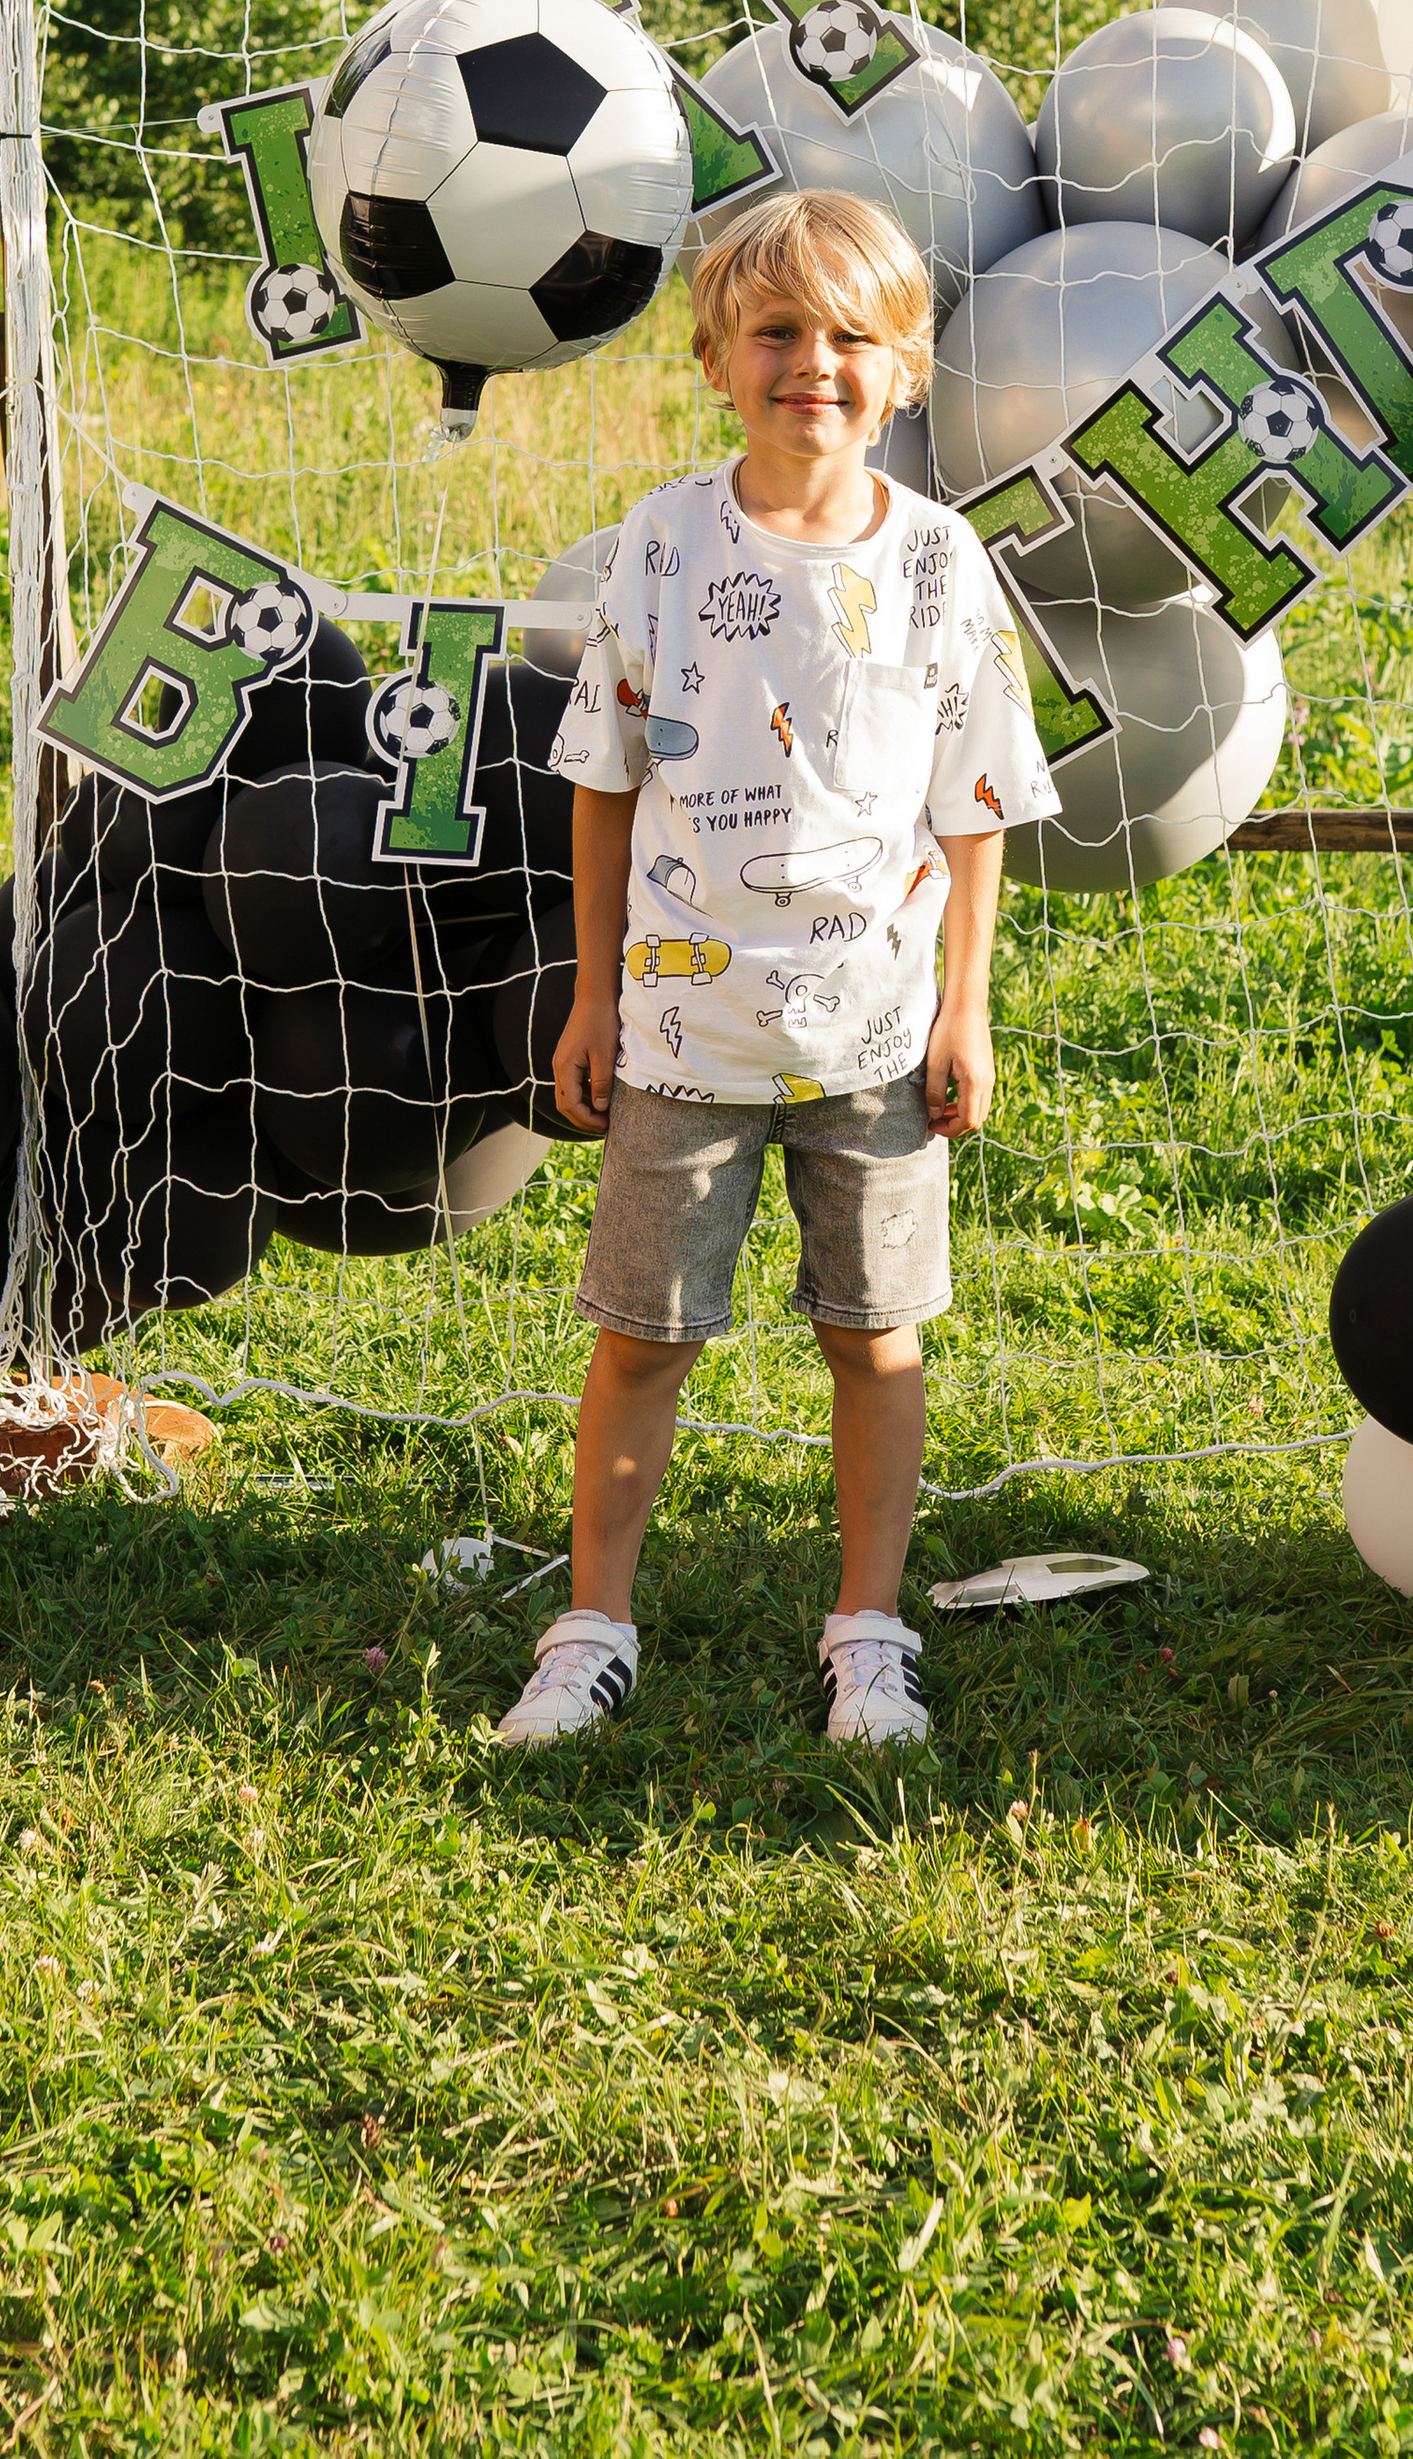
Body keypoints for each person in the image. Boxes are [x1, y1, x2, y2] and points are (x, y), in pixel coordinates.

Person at [495, 188, 1059, 1751]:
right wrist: (595, 993)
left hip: (876, 1043)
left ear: (906, 370)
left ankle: (868, 1632)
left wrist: (966, 1009)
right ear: (715, 359)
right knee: (644, 1337)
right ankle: (592, 1628)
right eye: (778, 332)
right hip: (684, 1036)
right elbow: (604, 780)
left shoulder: (940, 561)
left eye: (851, 336)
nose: (815, 362)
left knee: (874, 1337)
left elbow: (976, 805)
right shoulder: (662, 545)